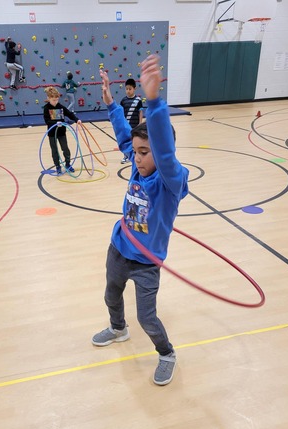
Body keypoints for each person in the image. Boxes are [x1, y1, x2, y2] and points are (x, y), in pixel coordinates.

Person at [92, 55, 189, 386]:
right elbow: (124, 137)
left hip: (146, 262)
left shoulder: (170, 181)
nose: (137, 157)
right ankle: (118, 329)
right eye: (136, 151)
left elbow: (163, 154)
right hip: (120, 247)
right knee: (110, 295)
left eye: (145, 152)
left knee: (147, 317)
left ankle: (166, 353)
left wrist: (154, 101)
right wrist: (110, 104)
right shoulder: (137, 162)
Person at [43, 86, 82, 175]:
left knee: (65, 149)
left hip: (61, 132)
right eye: (53, 100)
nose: (55, 102)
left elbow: (69, 113)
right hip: (52, 133)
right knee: (54, 150)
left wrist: (77, 120)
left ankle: (68, 164)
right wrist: (56, 123)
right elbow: (47, 120)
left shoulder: (60, 107)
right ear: (48, 98)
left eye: (57, 100)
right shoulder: (46, 108)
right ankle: (58, 166)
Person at [119, 77, 143, 164]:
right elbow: (121, 112)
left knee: (134, 141)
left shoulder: (138, 100)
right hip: (126, 125)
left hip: (135, 125)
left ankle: (134, 156)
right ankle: (126, 156)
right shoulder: (123, 100)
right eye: (126, 89)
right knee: (126, 141)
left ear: (134, 89)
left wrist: (140, 123)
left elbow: (140, 111)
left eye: (130, 89)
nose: (128, 91)